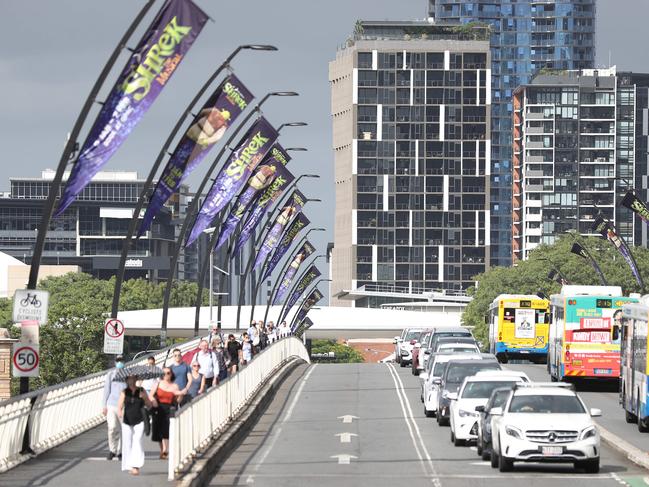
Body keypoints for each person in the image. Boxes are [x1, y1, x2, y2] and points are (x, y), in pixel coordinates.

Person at [118, 375, 152, 476]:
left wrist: (144, 398)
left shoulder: (142, 390)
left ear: (136, 379)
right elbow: (119, 406)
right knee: (127, 442)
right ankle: (129, 465)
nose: (131, 380)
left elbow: (149, 405)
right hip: (127, 420)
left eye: (133, 378)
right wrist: (119, 412)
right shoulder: (124, 392)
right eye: (129, 378)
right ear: (126, 380)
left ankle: (136, 466)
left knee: (137, 441)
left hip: (140, 419)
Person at [149, 367, 185, 459]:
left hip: (169, 408)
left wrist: (181, 395)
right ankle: (162, 450)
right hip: (158, 408)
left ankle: (165, 450)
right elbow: (151, 396)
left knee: (166, 429)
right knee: (158, 430)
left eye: (168, 373)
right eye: (164, 373)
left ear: (171, 374)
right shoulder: (158, 384)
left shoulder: (175, 386)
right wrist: (154, 401)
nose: (166, 375)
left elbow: (177, 401)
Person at [102, 355, 126, 460]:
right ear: (115, 362)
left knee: (122, 429)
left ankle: (120, 451)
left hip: (123, 405)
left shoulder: (128, 375)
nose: (119, 363)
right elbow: (106, 390)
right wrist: (104, 405)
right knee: (112, 428)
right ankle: (112, 450)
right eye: (118, 361)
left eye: (121, 361)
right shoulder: (110, 374)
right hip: (111, 404)